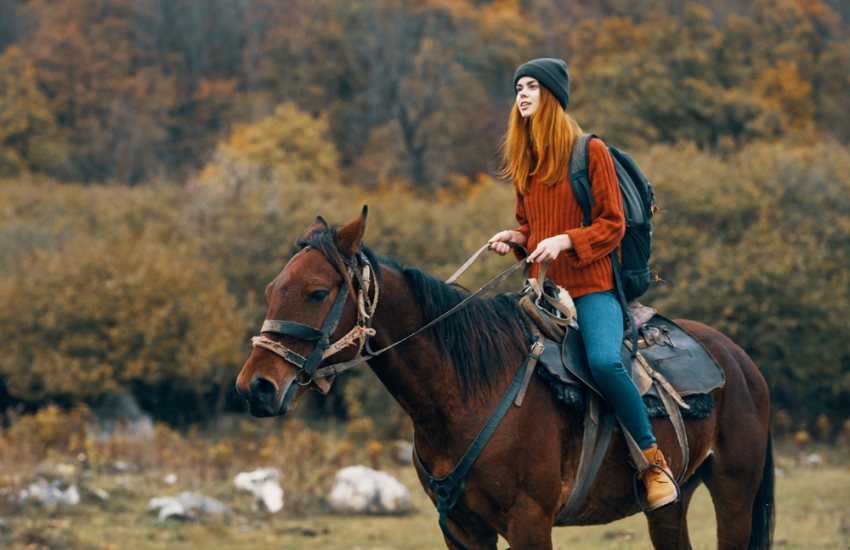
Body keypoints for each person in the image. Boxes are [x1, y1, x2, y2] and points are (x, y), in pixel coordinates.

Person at [488, 57, 678, 511]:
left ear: (552, 95)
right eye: (518, 87)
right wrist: (518, 238)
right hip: (543, 292)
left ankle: (652, 463)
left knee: (605, 363)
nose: (523, 94)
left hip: (591, 287)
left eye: (533, 86)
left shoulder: (588, 151)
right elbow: (532, 230)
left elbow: (611, 225)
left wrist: (566, 240)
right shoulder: (524, 162)